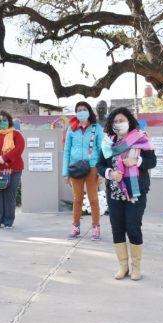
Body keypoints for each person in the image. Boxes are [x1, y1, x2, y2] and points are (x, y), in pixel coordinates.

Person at [97, 107, 156, 281]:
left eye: (121, 120)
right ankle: (123, 266)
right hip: (114, 192)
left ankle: (136, 267)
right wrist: (109, 173)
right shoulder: (108, 143)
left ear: (129, 121)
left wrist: (137, 161)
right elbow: (99, 165)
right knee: (117, 229)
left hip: (135, 191)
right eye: (115, 121)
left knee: (133, 227)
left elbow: (152, 161)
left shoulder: (141, 138)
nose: (118, 124)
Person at [63, 101, 105, 240]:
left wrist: (101, 172)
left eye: (84, 109)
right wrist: (65, 172)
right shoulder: (71, 128)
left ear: (89, 111)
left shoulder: (96, 128)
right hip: (75, 168)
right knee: (77, 199)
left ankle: (96, 227)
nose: (81, 111)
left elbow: (101, 150)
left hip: (92, 167)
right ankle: (75, 227)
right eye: (79, 109)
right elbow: (67, 151)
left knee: (93, 199)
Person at [0, 111, 25, 229]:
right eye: (0, 121)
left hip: (13, 170)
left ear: (9, 121)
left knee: (9, 195)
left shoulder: (17, 135)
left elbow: (19, 148)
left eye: (5, 120)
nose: (2, 123)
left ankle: (8, 222)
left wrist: (5, 158)